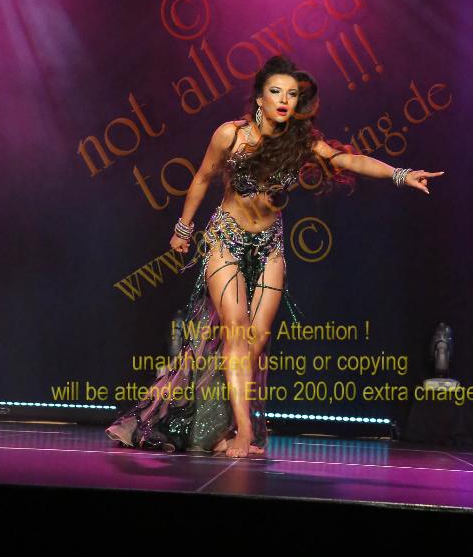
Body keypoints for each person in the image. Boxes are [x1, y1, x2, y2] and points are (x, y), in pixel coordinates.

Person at [105, 54, 445, 457]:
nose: (284, 100)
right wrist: (183, 227)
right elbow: (203, 178)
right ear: (259, 98)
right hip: (226, 239)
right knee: (235, 329)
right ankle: (244, 433)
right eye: (276, 91)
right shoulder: (230, 135)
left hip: (269, 244)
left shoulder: (300, 143)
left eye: (292, 94)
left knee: (256, 339)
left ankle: (221, 426)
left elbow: (348, 159)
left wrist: (401, 175)